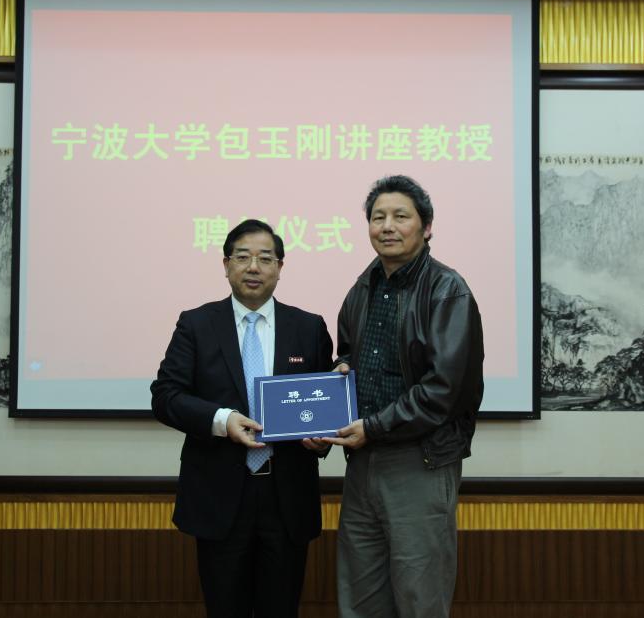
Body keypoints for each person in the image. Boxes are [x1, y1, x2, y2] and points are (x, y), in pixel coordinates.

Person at [320, 175, 485, 618]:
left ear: (426, 227)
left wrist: (373, 426)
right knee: (361, 597)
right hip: (363, 462)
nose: (387, 226)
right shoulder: (363, 287)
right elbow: (350, 356)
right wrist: (340, 377)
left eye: (400, 216)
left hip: (419, 461)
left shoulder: (447, 290)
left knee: (419, 597)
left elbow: (443, 390)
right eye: (378, 217)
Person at [151, 218, 333, 618]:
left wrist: (322, 440)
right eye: (243, 257)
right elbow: (165, 396)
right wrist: (222, 420)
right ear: (226, 264)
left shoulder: (309, 327)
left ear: (280, 267)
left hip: (286, 499)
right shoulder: (196, 324)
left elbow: (323, 405)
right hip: (219, 496)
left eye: (265, 258)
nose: (254, 267)